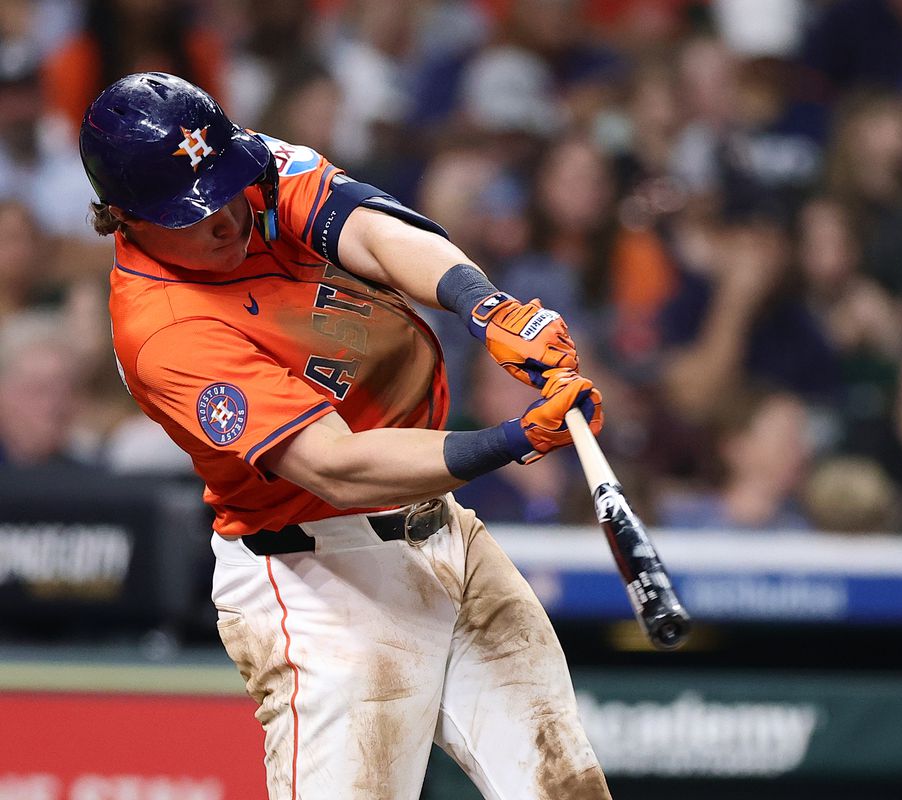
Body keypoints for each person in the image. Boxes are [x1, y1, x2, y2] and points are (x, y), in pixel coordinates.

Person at [80, 73, 610, 799]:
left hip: (442, 534)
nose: (228, 217)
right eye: (193, 214)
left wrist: (486, 308)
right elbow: (337, 465)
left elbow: (372, 231)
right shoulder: (165, 331)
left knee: (565, 788)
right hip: (321, 582)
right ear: (123, 218)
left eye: (227, 188)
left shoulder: (239, 165)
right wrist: (514, 438)